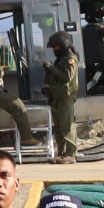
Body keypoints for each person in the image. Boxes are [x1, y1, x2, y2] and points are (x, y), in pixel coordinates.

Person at [44, 30, 82, 159]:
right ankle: (62, 152)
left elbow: (67, 77)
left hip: (65, 97)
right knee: (58, 127)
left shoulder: (71, 59)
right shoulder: (60, 59)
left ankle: (71, 153)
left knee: (66, 125)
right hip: (56, 96)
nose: (55, 49)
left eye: (56, 47)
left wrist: (51, 69)